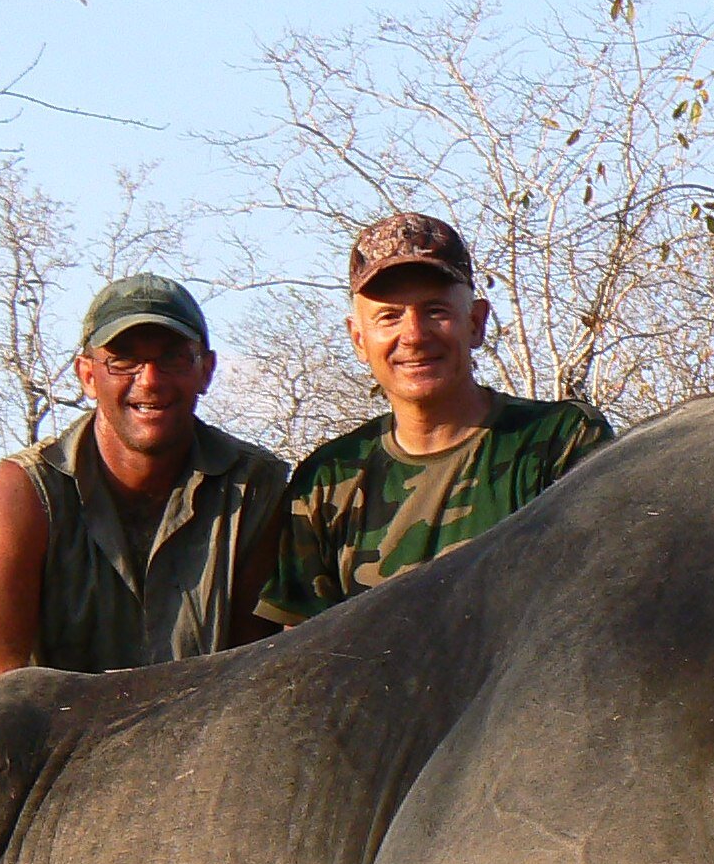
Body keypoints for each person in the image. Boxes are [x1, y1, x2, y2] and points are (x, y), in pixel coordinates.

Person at [258, 213, 611, 628]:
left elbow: (596, 613)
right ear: (358, 339)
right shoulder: (328, 479)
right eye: (389, 316)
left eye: (436, 311)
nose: (414, 335)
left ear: (476, 323)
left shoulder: (562, 442)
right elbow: (299, 658)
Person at [0, 274, 290, 690]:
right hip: (65, 746)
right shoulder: (24, 491)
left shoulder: (257, 486)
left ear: (205, 370)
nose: (149, 380)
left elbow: (260, 675)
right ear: (88, 376)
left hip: (211, 741)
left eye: (172, 358)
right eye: (123, 360)